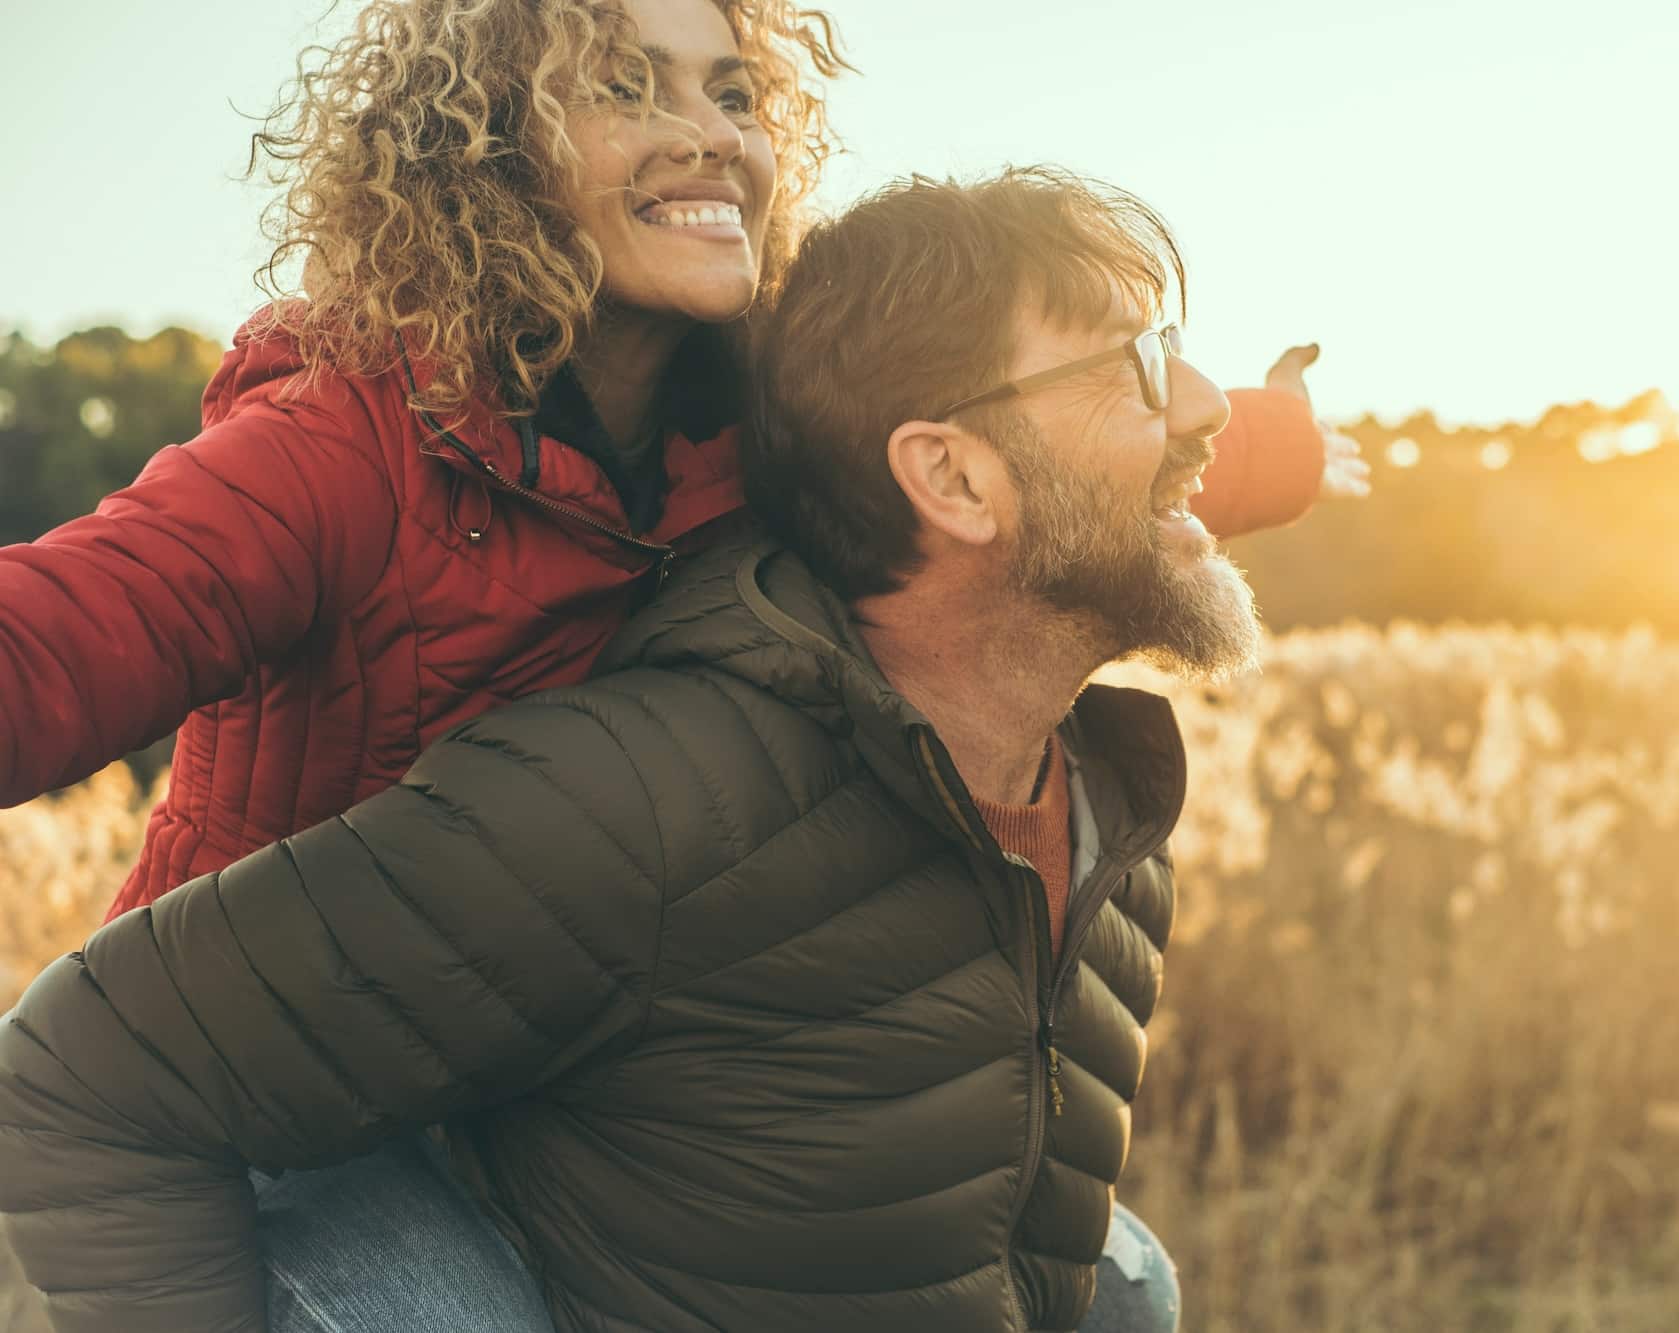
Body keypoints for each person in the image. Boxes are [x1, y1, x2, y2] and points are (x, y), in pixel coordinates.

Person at [2, 166, 1261, 1332]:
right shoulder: (637, 804)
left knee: (1126, 1282)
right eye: (1136, 366)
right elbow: (80, 1082)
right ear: (953, 479)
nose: (1204, 405)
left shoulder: (1108, 806)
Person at [0, 0, 1365, 927]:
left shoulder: (763, 424)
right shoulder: (343, 443)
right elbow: (59, 642)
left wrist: (1271, 446)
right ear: (484, 148)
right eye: (622, 85)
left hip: (557, 1067)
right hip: (274, 1091)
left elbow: (1038, 471)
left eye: (733, 91)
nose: (713, 132)